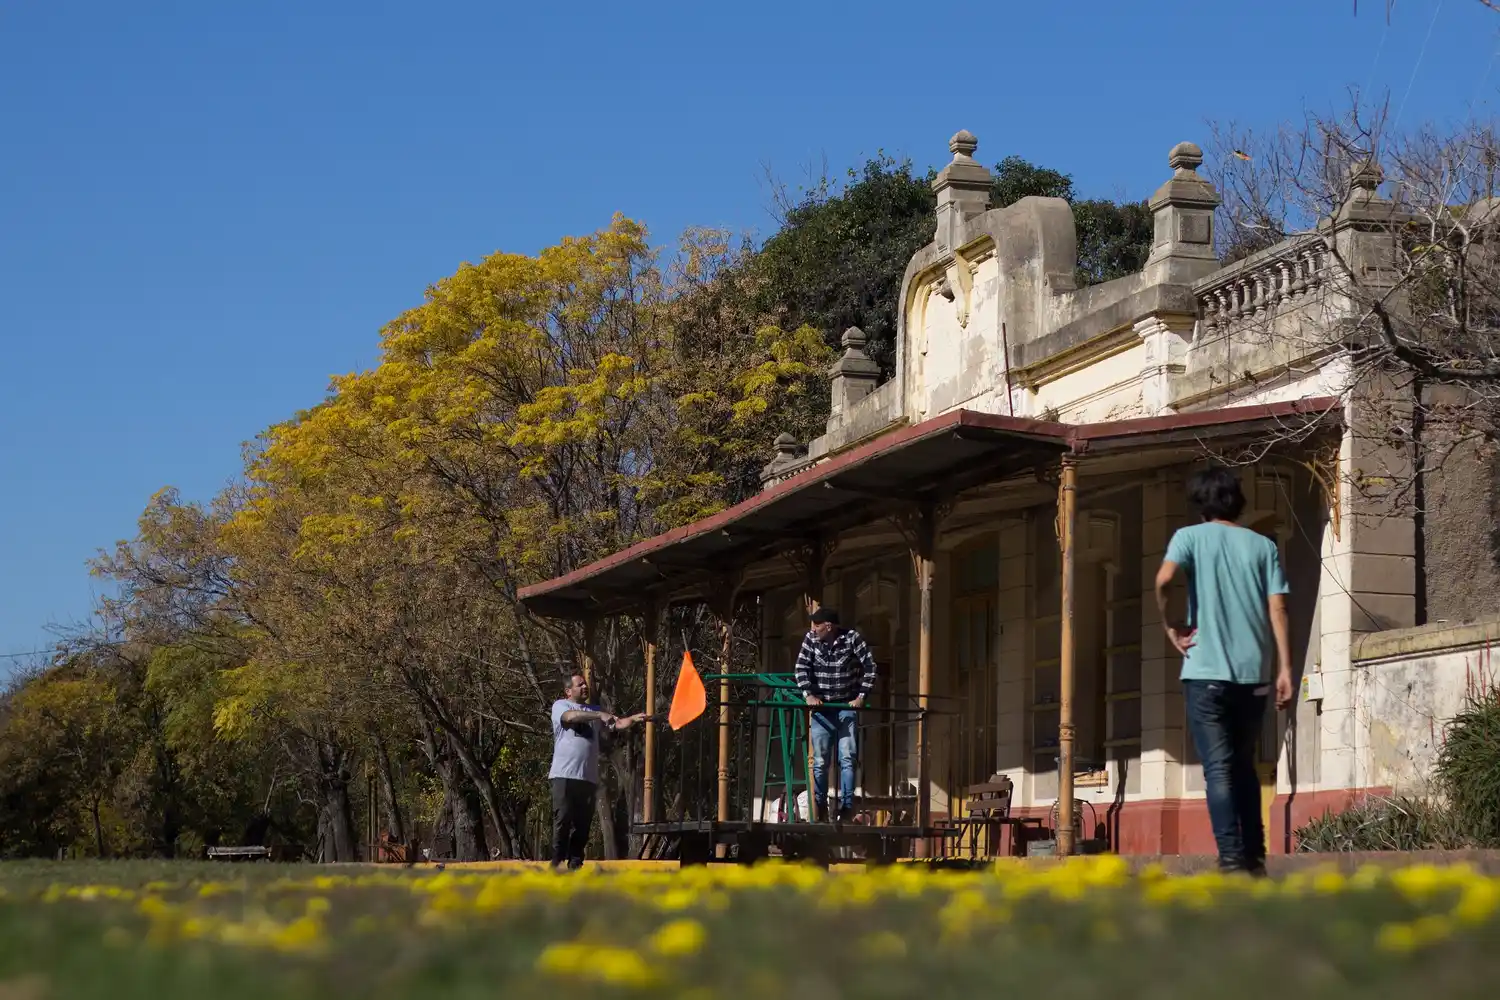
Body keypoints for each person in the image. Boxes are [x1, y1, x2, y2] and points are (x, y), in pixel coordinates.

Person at [1154, 465, 1294, 876]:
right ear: (1238, 501)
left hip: (1205, 673)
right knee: (1244, 765)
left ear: (1199, 504)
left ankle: (1232, 860)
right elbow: (1279, 607)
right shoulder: (1262, 546)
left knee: (1218, 768)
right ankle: (1255, 857)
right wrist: (1285, 667)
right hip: (1255, 675)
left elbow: (1163, 581)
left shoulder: (1189, 538)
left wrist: (1171, 627)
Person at [548, 671, 643, 871]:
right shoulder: (561, 706)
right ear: (568, 691)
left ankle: (575, 864)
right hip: (564, 775)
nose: (585, 687)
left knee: (583, 824)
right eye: (579, 684)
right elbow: (571, 717)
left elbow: (617, 723)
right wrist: (599, 714)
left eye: (585, 684)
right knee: (563, 819)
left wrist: (633, 719)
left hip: (588, 777)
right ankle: (556, 863)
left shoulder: (594, 710)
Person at [794, 607, 879, 823]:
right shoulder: (810, 640)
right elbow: (800, 668)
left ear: (828, 626)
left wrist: (861, 696)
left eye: (816, 625)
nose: (813, 629)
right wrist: (808, 695)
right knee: (821, 761)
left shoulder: (852, 639)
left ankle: (847, 807)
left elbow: (871, 667)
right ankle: (821, 805)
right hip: (822, 709)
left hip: (846, 707)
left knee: (848, 758)